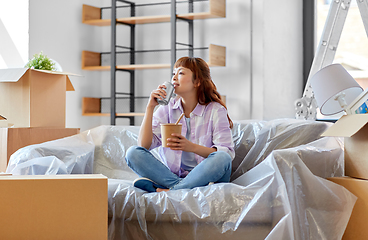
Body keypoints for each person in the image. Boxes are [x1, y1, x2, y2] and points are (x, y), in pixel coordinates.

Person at [125, 56, 235, 192]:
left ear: (197, 82)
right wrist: (150, 107)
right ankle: (181, 188)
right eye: (173, 73)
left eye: (181, 73)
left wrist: (191, 147)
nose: (174, 78)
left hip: (208, 176)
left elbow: (227, 153)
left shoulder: (215, 110)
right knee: (132, 153)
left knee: (222, 158)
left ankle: (167, 190)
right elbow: (143, 145)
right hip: (173, 176)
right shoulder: (167, 109)